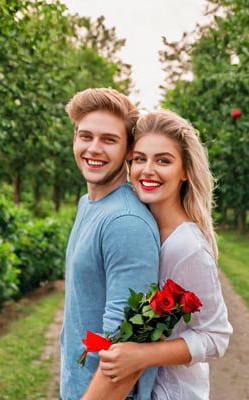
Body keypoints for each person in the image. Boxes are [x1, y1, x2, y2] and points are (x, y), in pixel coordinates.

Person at [82, 109, 233, 400]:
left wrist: (143, 355)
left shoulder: (187, 247)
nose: (147, 170)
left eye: (163, 160)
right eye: (140, 159)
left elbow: (216, 337)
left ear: (185, 170)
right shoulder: (138, 227)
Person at [59, 88, 160, 400]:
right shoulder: (87, 204)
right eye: (85, 136)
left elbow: (125, 350)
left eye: (109, 140)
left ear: (129, 150)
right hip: (76, 386)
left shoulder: (124, 223)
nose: (94, 148)